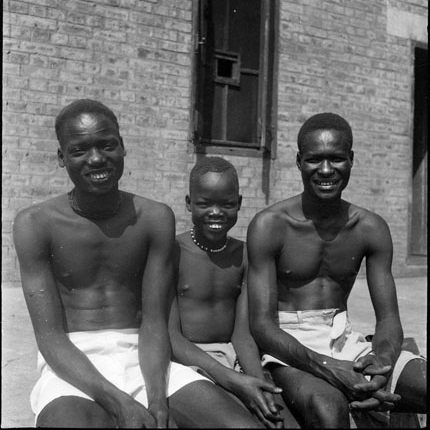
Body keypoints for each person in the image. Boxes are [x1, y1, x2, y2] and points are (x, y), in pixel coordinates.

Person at [13, 99, 268, 428]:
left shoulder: (154, 218)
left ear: (122, 147)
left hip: (146, 356)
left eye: (107, 145)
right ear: (62, 157)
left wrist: (157, 399)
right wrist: (120, 403)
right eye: (79, 150)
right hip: (73, 365)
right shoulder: (35, 224)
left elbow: (153, 320)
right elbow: (50, 337)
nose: (96, 159)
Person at [246, 113, 427, 428]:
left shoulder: (370, 227)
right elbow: (262, 326)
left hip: (345, 340)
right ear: (300, 161)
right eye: (315, 160)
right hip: (289, 346)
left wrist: (382, 360)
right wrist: (330, 368)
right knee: (329, 412)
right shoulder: (270, 225)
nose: (326, 170)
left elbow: (388, 320)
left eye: (337, 159)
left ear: (352, 160)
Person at [168, 157, 299, 428]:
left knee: (280, 418)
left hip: (232, 358)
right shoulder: (172, 252)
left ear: (239, 203)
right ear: (189, 203)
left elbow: (242, 333)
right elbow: (170, 336)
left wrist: (260, 383)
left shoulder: (244, 255)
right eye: (205, 203)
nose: (216, 212)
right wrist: (234, 381)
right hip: (186, 362)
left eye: (226, 204)